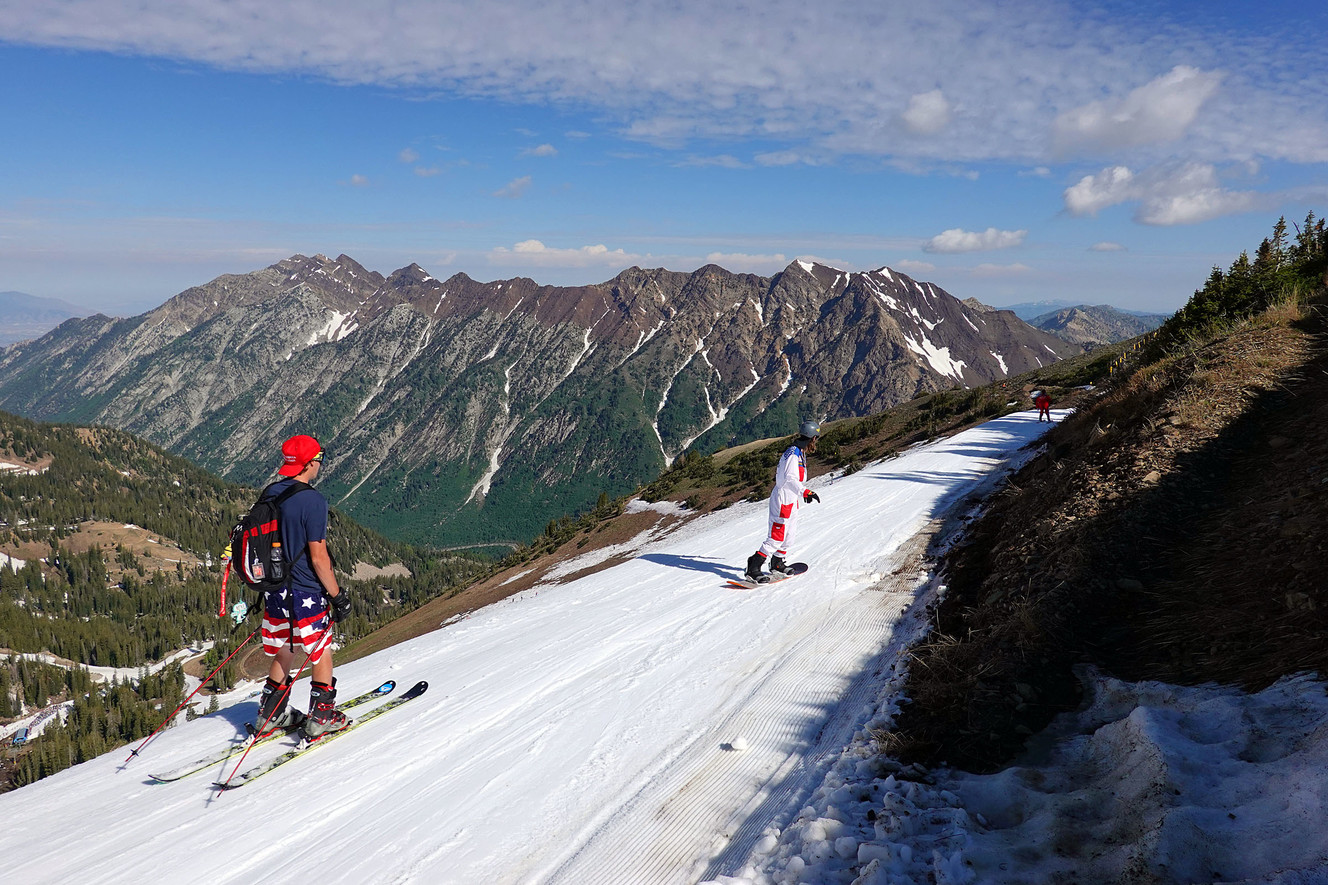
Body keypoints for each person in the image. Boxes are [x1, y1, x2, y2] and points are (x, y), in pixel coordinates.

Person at [254, 434, 353, 740]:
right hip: (306, 591)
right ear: (311, 463)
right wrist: (337, 596)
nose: (320, 464)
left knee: (284, 650)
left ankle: (270, 717)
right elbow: (319, 555)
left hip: (274, 590)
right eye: (319, 459)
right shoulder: (312, 500)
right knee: (320, 652)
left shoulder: (271, 492)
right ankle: (321, 718)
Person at [745, 421, 823, 583]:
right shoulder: (794, 454)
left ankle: (777, 563)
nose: (815, 442)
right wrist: (805, 491)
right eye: (816, 439)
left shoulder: (798, 451)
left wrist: (801, 493)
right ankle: (753, 567)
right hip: (782, 500)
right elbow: (790, 478)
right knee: (777, 536)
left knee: (789, 536)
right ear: (812, 438)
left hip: (791, 500)